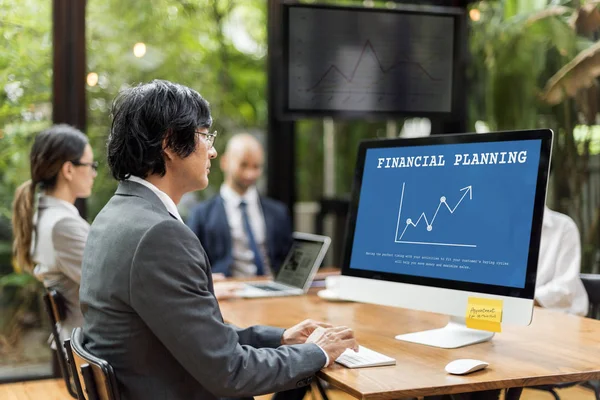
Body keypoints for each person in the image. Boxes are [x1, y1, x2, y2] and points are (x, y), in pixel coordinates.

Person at [79, 79, 358, 400]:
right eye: (205, 135)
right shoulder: (159, 234)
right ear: (170, 143)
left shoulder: (114, 216)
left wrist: (280, 338)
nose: (212, 150)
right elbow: (230, 372)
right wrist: (318, 353)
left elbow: (201, 335)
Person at [12, 124, 96, 344]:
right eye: (90, 165)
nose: (94, 173)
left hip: (79, 343)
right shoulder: (62, 225)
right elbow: (108, 287)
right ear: (68, 170)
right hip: (92, 346)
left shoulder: (42, 217)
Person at [187, 133, 292, 277]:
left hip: (273, 288)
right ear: (225, 162)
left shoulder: (278, 212)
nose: (250, 174)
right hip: (227, 291)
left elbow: (288, 261)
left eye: (256, 166)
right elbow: (191, 265)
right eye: (243, 165)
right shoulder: (202, 215)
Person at [535, 206, 589, 315]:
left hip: (561, 317)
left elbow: (564, 288)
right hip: (518, 314)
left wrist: (521, 299)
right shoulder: (506, 227)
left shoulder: (564, 227)